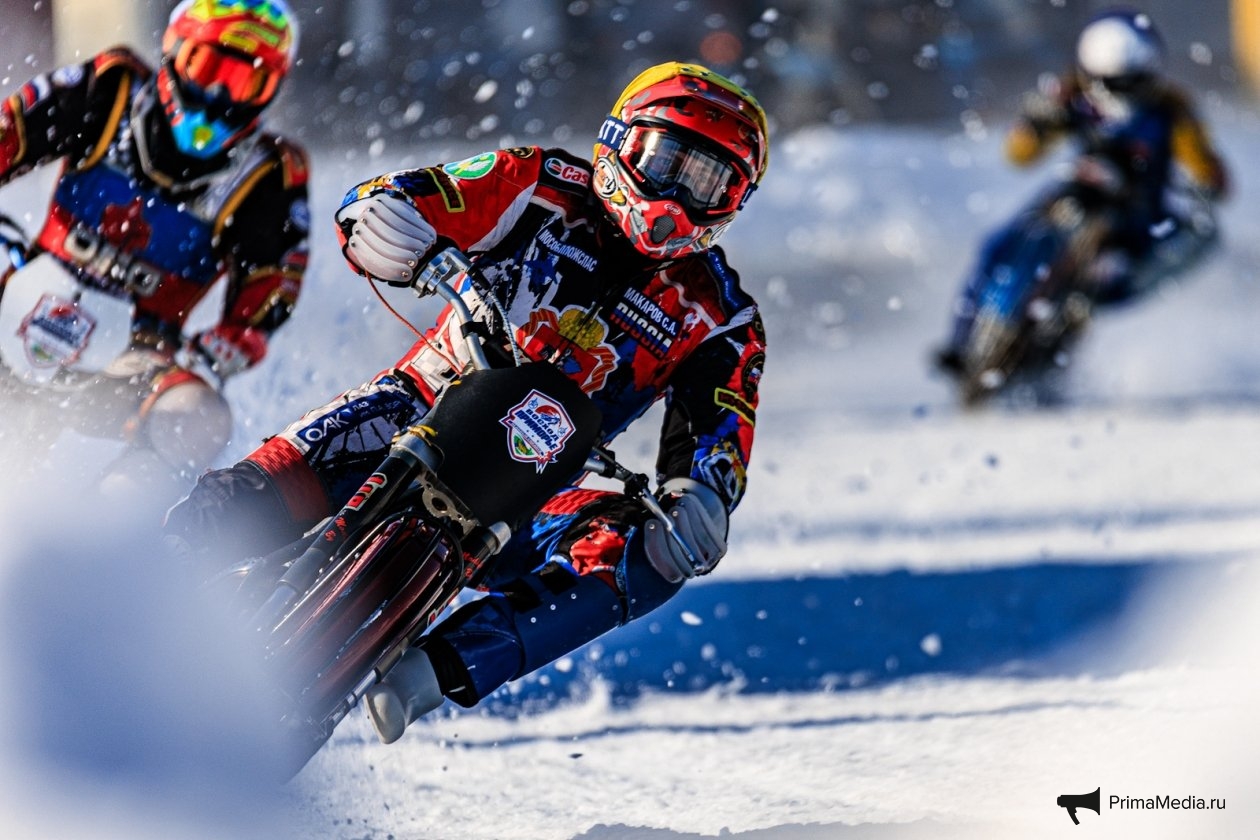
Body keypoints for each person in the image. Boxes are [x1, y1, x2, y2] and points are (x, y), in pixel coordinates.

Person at [163, 61, 769, 744]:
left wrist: (700, 497)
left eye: (707, 183)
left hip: (535, 490)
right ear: (619, 142)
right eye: (665, 163)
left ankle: (434, 670)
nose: (676, 198)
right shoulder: (537, 183)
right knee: (240, 500)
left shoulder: (722, 316)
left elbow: (718, 439)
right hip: (419, 403)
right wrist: (404, 235)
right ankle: (123, 590)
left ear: (734, 202)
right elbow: (390, 201)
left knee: (658, 553)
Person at [0, 0, 309, 497]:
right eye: (207, 68)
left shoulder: (270, 177)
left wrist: (230, 342)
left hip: (135, 359)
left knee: (197, 417)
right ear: (173, 50)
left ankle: (116, 523)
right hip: (20, 307)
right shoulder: (108, 88)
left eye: (243, 83)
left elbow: (268, 295)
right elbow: (9, 134)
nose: (216, 97)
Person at [936, 7, 1228, 372]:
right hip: (1075, 193)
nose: (1121, 94)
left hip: (1134, 213)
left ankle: (1061, 338)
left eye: (1132, 83)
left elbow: (1207, 171)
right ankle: (963, 339)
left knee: (1129, 271)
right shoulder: (1071, 97)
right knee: (1002, 245)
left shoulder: (1170, 111)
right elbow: (1020, 153)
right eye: (1111, 83)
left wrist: (1205, 181)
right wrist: (1038, 120)